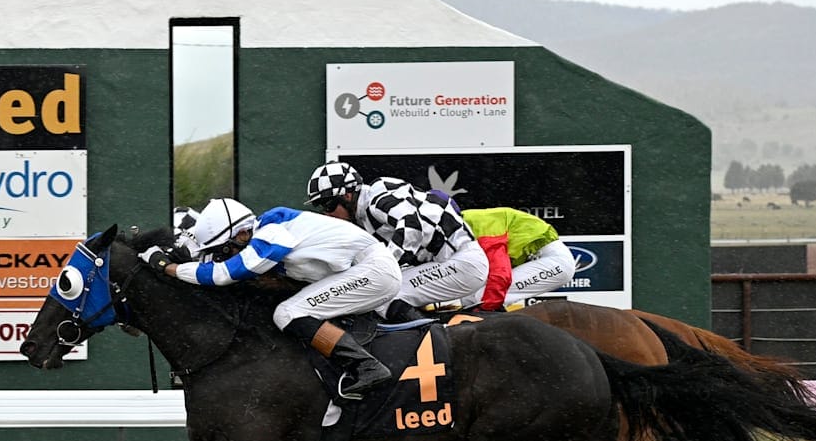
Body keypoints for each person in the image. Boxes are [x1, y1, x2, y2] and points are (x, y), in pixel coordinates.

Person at [144, 197, 401, 397]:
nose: (225, 256)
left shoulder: (271, 231)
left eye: (225, 249)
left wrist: (169, 268)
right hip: (366, 271)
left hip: (373, 271)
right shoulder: (270, 233)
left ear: (242, 234)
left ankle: (366, 366)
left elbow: (223, 274)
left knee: (288, 313)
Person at [305, 162, 489, 321]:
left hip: (462, 262)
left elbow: (411, 225)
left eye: (329, 205)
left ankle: (428, 336)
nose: (327, 213)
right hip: (449, 263)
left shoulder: (375, 197)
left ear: (347, 195)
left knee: (382, 294)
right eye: (320, 207)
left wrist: (385, 266)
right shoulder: (362, 219)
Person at [459, 207, 577, 311]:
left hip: (555, 262)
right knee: (469, 297)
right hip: (543, 257)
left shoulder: (479, 224)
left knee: (481, 297)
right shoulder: (464, 223)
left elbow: (500, 275)